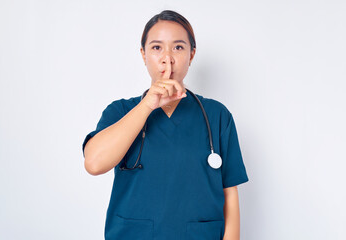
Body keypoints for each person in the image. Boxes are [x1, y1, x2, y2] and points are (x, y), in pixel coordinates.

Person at [82, 9, 249, 240]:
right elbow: (93, 163)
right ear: (143, 54)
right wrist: (147, 106)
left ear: (191, 55)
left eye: (178, 47)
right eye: (156, 47)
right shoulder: (120, 112)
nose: (167, 58)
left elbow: (230, 194)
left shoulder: (217, 116)